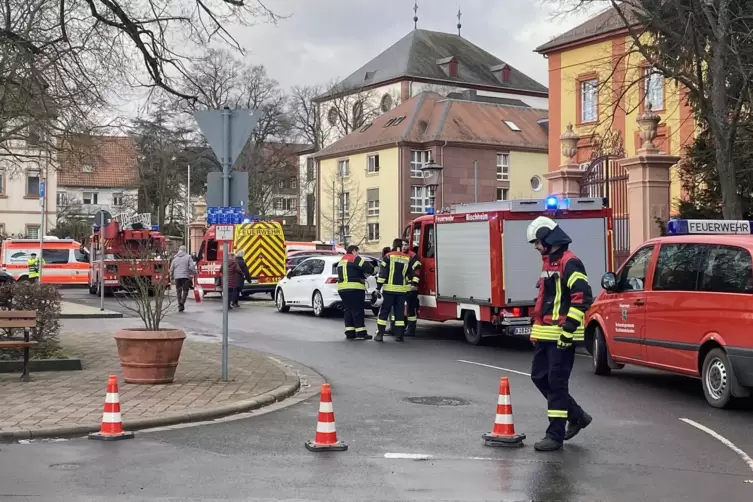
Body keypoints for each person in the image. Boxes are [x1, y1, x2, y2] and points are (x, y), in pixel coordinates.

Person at [526, 216, 594, 452]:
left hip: (562, 337)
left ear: (547, 238)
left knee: (556, 384)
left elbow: (581, 298)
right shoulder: (549, 263)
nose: (536, 246)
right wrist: (536, 330)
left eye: (537, 241)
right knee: (539, 377)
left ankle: (554, 435)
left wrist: (567, 331)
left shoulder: (570, 262)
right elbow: (545, 301)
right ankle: (576, 415)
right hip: (546, 334)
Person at [374, 238, 414, 342]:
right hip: (401, 291)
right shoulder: (407, 258)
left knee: (384, 312)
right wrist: (409, 287)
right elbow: (411, 275)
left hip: (389, 290)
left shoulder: (388, 256)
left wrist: (378, 287)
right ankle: (399, 336)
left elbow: (382, 274)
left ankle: (380, 335)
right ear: (401, 246)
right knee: (399, 313)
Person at [337, 244, 374, 340]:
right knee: (358, 310)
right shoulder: (355, 259)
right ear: (354, 251)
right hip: (355, 288)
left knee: (348, 310)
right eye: (357, 251)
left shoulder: (341, 260)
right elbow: (369, 268)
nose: (358, 253)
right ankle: (361, 332)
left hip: (342, 289)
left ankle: (350, 332)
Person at [170, 245, 196, 312]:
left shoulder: (175, 258)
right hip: (185, 276)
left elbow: (172, 268)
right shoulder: (188, 257)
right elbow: (192, 266)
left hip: (177, 277)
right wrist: (194, 273)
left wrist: (171, 276)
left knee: (179, 291)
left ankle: (180, 307)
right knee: (185, 290)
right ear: (185, 250)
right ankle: (182, 301)